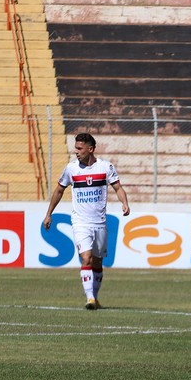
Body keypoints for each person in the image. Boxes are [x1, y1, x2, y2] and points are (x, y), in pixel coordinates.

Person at [43, 132, 130, 310]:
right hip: (80, 222)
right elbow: (59, 191)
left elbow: (118, 188)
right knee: (87, 258)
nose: (76, 151)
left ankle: (95, 298)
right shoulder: (71, 169)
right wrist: (49, 213)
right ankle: (89, 298)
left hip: (100, 223)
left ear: (90, 149)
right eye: (76, 148)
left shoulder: (106, 167)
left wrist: (125, 203)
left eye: (80, 148)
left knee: (98, 262)